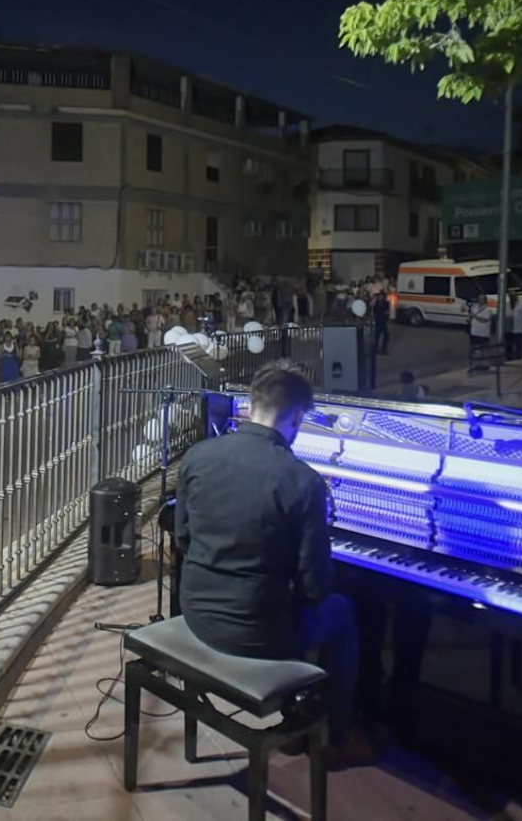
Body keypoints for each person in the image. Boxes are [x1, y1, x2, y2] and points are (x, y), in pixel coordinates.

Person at [173, 363, 371, 767]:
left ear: (251, 405)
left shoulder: (198, 456)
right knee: (342, 612)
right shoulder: (304, 481)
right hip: (258, 634)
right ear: (297, 418)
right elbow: (315, 589)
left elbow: (182, 539)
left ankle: (299, 718)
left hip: (196, 614)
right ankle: (333, 735)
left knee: (291, 603)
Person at [466, 295, 494, 371]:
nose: (480, 300)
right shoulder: (474, 308)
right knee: (475, 349)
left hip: (483, 333)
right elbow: (470, 318)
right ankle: (477, 364)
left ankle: (486, 364)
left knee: (484, 349)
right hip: (474, 332)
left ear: (485, 301)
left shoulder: (488, 310)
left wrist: (474, 316)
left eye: (482, 299)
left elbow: (484, 320)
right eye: (479, 299)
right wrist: (469, 318)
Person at [506, 295, 522, 361]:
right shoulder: (506, 305)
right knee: (508, 344)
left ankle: (518, 357)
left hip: (518, 329)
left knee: (518, 344)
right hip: (508, 328)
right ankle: (509, 358)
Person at [371, 291, 390, 356]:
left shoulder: (386, 303)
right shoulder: (375, 302)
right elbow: (372, 308)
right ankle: (376, 350)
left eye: (382, 297)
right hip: (378, 321)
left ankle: (383, 350)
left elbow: (387, 311)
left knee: (386, 336)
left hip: (383, 321)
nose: (381, 298)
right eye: (380, 296)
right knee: (377, 337)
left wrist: (387, 313)